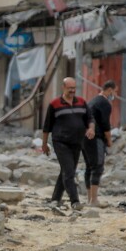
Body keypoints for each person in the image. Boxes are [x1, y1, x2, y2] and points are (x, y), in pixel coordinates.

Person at [41, 77, 95, 210]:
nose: (72, 91)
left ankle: (55, 199)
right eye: (70, 88)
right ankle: (75, 201)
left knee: (66, 171)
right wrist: (44, 144)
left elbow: (90, 118)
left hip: (77, 142)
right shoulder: (54, 104)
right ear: (63, 88)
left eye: (74, 88)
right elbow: (47, 126)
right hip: (60, 142)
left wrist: (91, 128)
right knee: (69, 172)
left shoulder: (81, 102)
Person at [82, 81, 116, 207]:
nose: (115, 95)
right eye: (114, 91)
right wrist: (109, 140)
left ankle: (90, 199)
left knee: (89, 167)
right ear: (110, 90)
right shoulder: (104, 103)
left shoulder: (92, 101)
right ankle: (94, 200)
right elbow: (105, 124)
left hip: (84, 137)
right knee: (97, 166)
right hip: (95, 137)